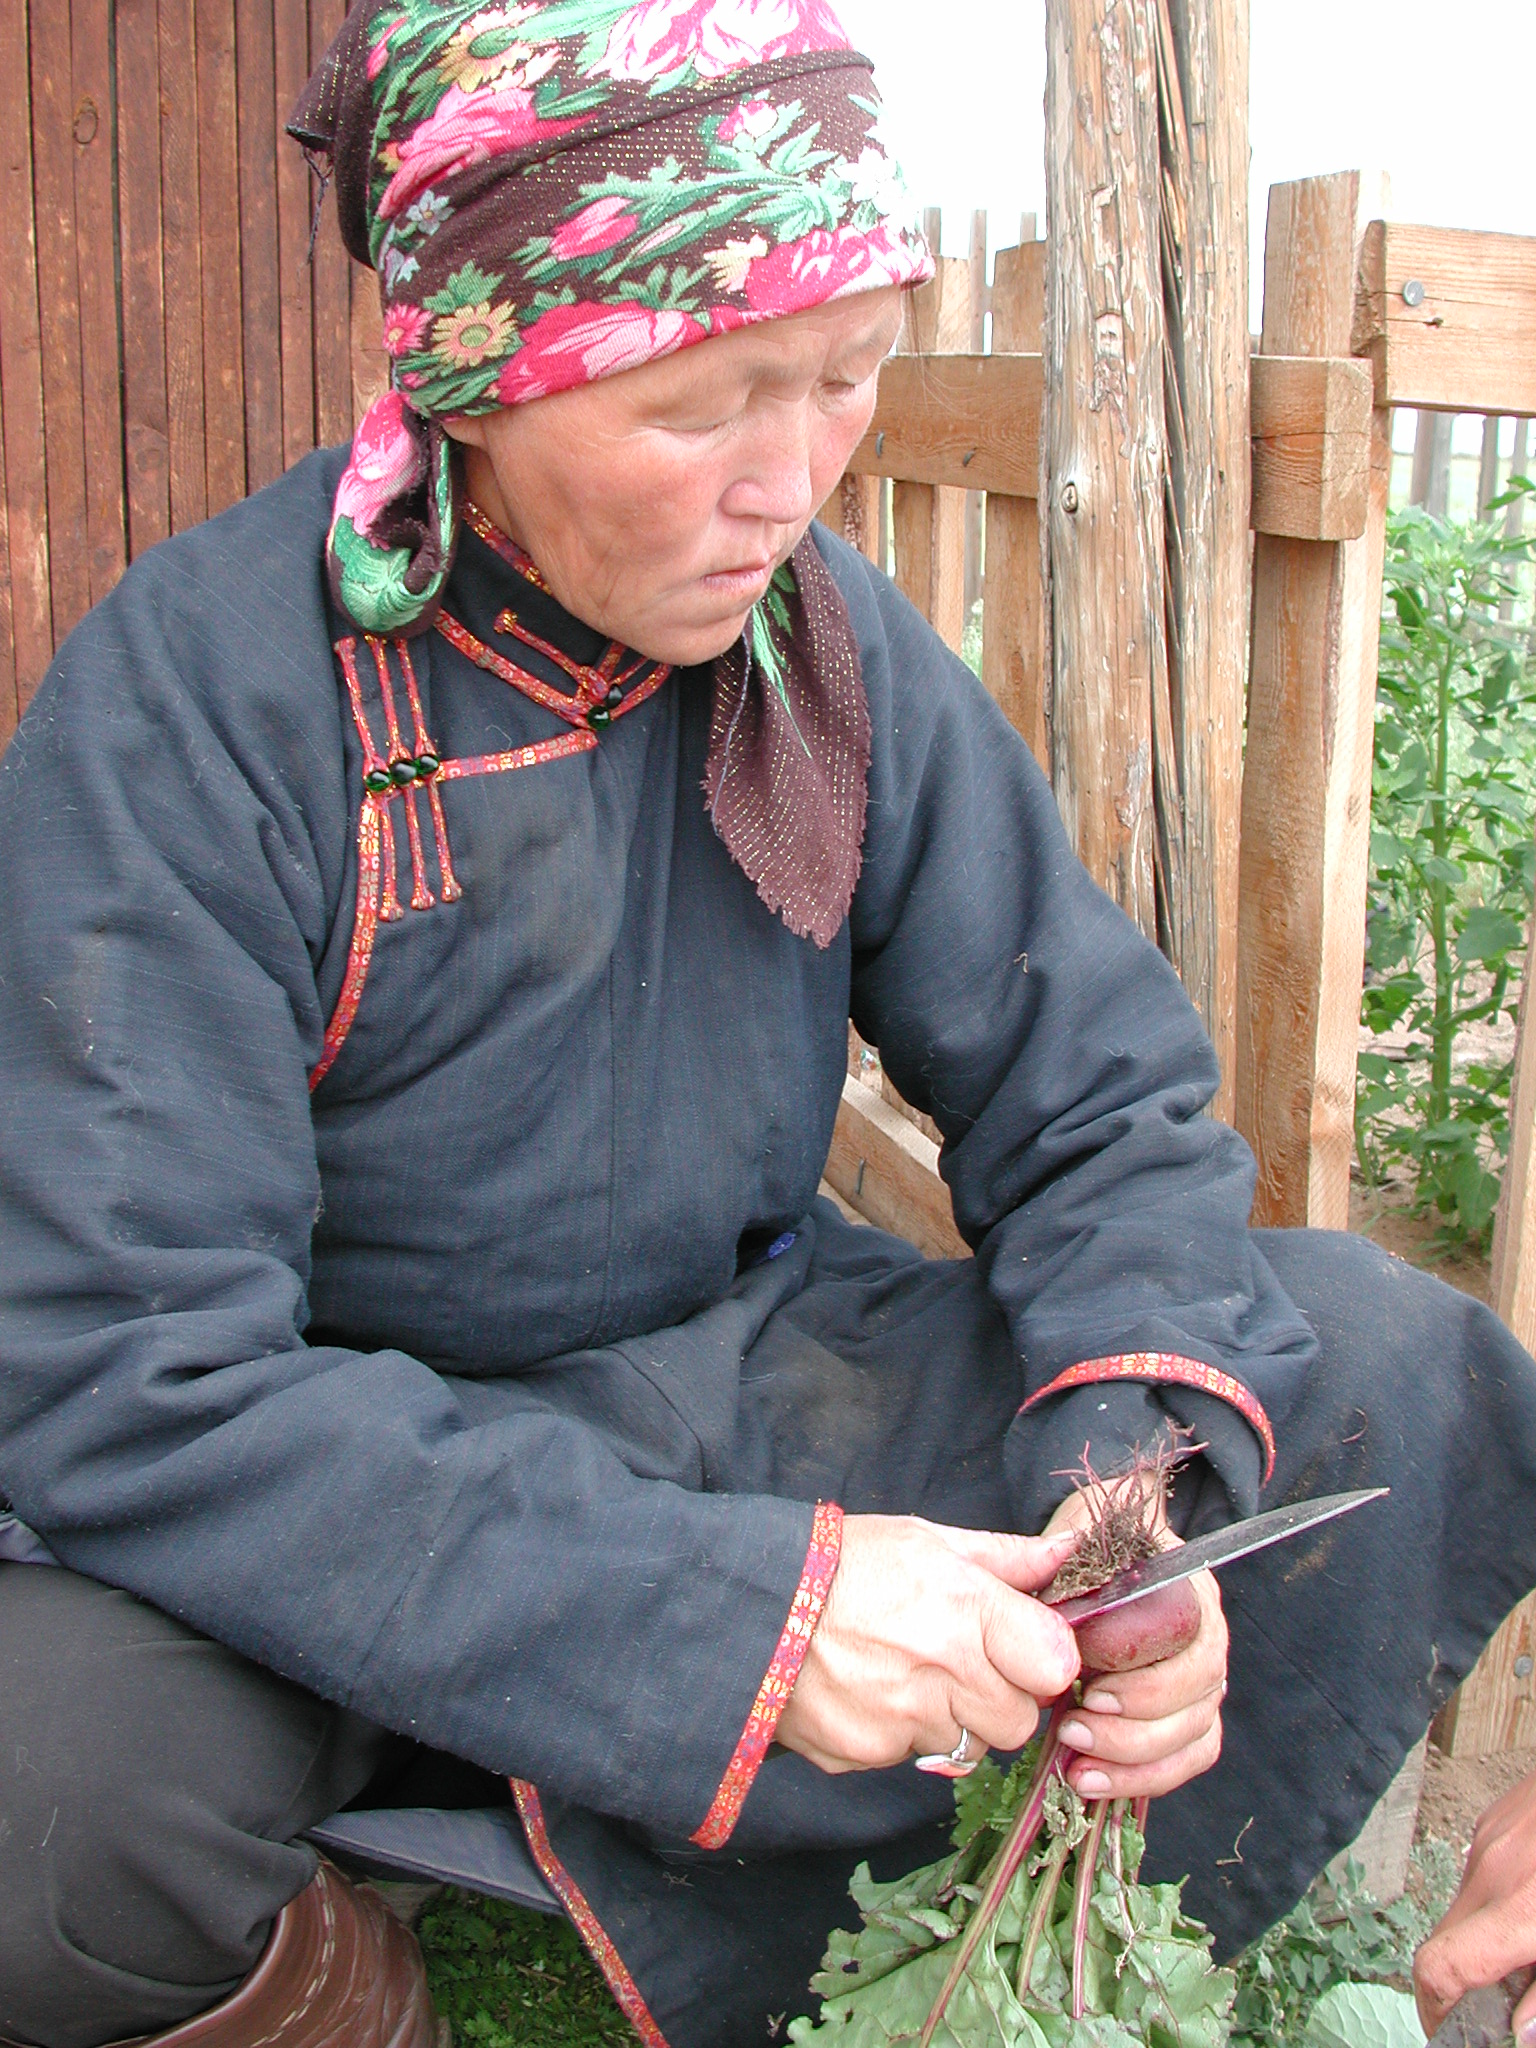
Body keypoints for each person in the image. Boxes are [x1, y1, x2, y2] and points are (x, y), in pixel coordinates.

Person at [0, 2, 1534, 2044]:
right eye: (705, 406)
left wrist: (1119, 1501)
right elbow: (132, 1374)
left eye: (843, 380)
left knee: (1379, 1355)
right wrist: (739, 1619)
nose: (792, 482)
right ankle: (352, 1985)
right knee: (41, 1793)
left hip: (734, 1389)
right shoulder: (194, 708)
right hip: (357, 1462)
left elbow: (1101, 1098)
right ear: (477, 380)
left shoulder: (827, 642)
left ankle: (1010, 1923)